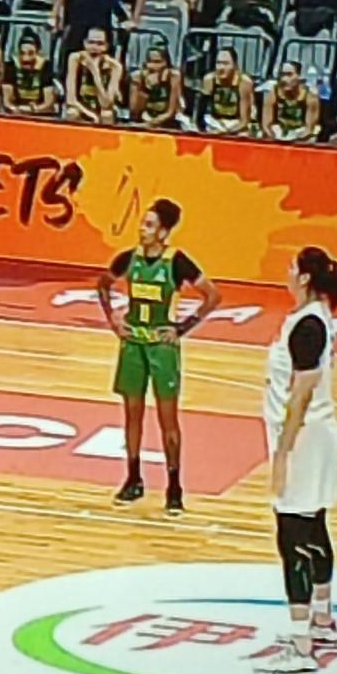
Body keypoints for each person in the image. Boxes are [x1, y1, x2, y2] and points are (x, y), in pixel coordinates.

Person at [96, 199, 221, 516]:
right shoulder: (128, 258)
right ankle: (133, 478)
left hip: (162, 348)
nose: (142, 229)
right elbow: (103, 284)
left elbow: (213, 295)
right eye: (142, 223)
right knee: (132, 415)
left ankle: (174, 487)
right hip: (133, 344)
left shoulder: (177, 262)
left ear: (164, 232)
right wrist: (113, 319)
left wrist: (182, 327)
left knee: (168, 420)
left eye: (149, 225)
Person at [258, 246, 337, 674]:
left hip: (305, 439)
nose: (287, 270)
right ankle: (322, 620)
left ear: (306, 277)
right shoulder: (311, 318)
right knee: (314, 527)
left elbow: (302, 393)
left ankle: (301, 647)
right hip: (316, 436)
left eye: (293, 266)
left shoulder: (309, 325)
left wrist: (282, 452)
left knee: (292, 537)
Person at [64, 26, 124, 123]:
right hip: (81, 106)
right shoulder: (75, 59)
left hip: (102, 107)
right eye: (91, 42)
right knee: (72, 113)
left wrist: (95, 73)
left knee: (106, 114)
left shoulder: (115, 66)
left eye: (100, 43)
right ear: (84, 43)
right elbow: (71, 100)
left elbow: (106, 104)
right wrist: (91, 115)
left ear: (106, 46)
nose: (94, 47)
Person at [199, 47, 255, 134]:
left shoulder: (244, 82)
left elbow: (244, 121)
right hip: (214, 122)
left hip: (236, 124)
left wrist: (224, 133)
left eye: (226, 64)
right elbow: (200, 114)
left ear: (235, 65)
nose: (221, 68)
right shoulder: (209, 79)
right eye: (218, 63)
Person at [2, 31, 60, 114]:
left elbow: (48, 103)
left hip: (39, 112)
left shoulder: (45, 67)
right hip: (16, 111)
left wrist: (34, 109)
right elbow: (7, 101)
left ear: (37, 52)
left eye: (31, 53)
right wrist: (14, 109)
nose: (26, 58)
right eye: (22, 53)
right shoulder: (11, 66)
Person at [262, 60, 321, 141]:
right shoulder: (274, 92)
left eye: (289, 75)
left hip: (300, 132)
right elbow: (266, 124)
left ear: (299, 76)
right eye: (282, 75)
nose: (284, 79)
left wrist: (294, 142)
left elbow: (309, 128)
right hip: (279, 131)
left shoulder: (310, 95)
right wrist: (273, 138)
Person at [129, 44, 184, 128]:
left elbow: (170, 112)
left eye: (157, 62)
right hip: (143, 120)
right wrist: (146, 88)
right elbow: (135, 111)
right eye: (150, 62)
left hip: (166, 121)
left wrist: (151, 124)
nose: (153, 66)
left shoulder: (173, 76)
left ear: (166, 63)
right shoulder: (138, 77)